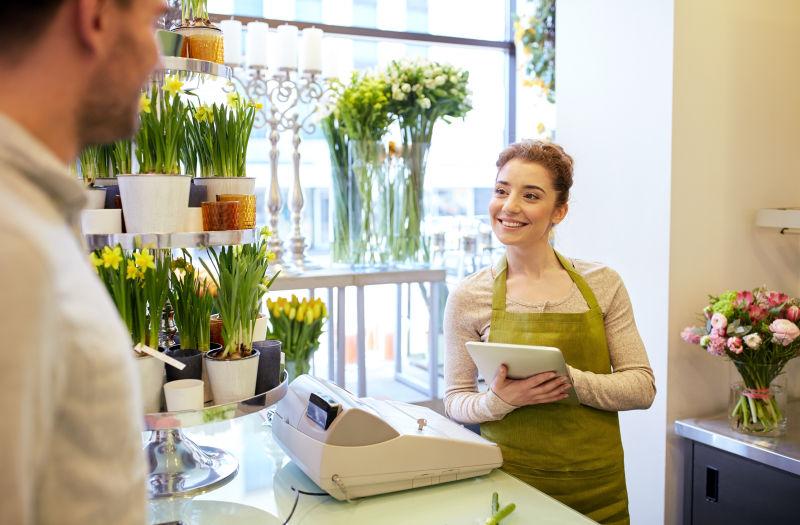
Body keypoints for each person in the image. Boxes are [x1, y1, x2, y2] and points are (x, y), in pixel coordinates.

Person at [0, 1, 166, 523]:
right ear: (93, 18)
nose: (158, 61)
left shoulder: (35, 217)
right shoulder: (14, 249)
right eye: (150, 23)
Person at [444, 140, 656, 525]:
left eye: (530, 195)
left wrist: (567, 380)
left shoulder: (603, 284)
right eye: (501, 190)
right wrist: (499, 401)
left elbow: (642, 388)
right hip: (510, 483)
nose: (509, 207)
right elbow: (455, 399)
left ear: (559, 211)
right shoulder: (468, 296)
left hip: (598, 487)